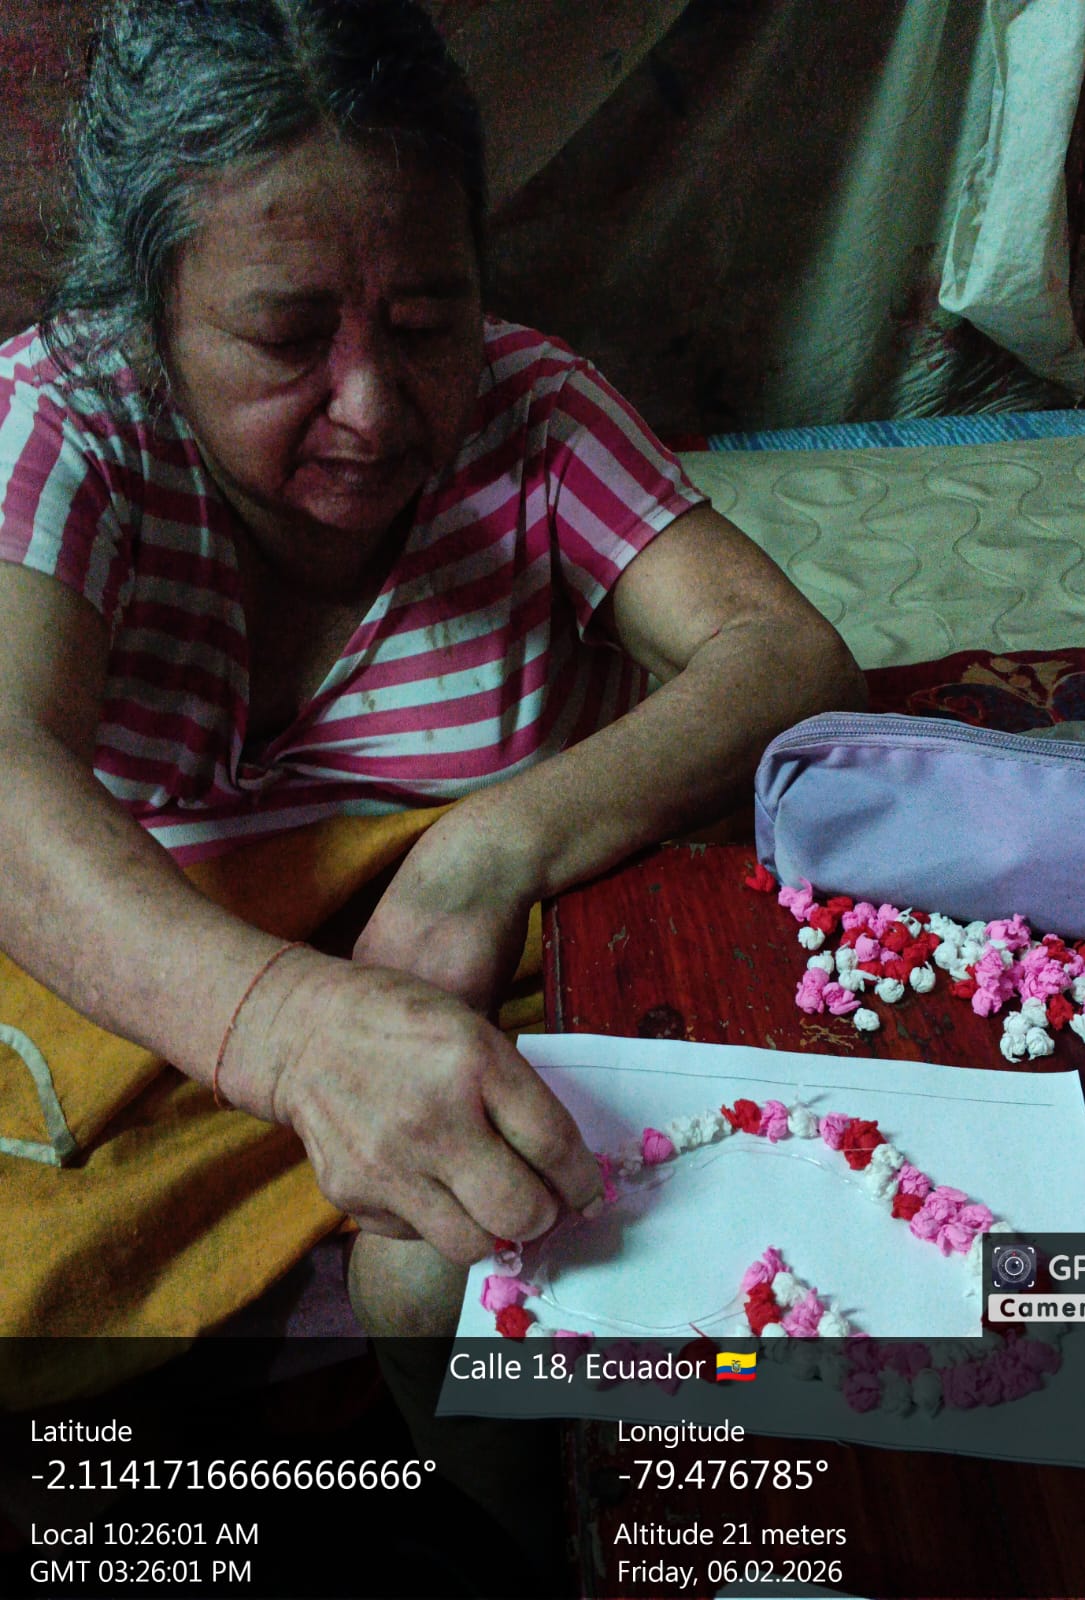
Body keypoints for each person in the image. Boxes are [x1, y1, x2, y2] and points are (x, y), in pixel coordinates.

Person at [0, 0, 863, 1344]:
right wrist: (288, 1031)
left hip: (475, 1001)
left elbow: (787, 656)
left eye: (423, 322)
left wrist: (485, 851)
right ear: (150, 311)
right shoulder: (71, 418)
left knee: (442, 1281)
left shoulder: (531, 412)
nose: (373, 406)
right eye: (287, 337)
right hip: (181, 1007)